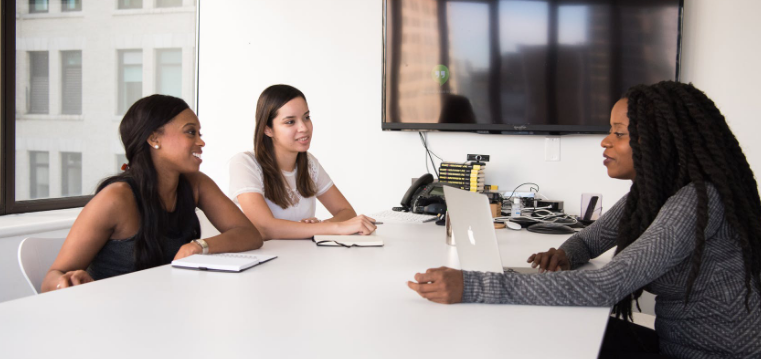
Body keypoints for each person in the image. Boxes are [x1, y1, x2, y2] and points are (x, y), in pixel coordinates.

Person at [407, 81, 761, 358]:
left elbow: (605, 285)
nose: (605, 141)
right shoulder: (651, 196)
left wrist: (473, 285)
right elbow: (591, 239)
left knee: (555, 338)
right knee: (556, 327)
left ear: (660, 140)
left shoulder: (697, 201)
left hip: (709, 354)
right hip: (676, 344)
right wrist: (567, 254)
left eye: (619, 133)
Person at [41, 95, 263, 292]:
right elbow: (51, 279)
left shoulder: (196, 184)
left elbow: (249, 234)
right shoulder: (116, 199)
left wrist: (199, 246)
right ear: (154, 138)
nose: (201, 141)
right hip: (113, 317)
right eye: (190, 132)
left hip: (165, 309)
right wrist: (66, 282)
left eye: (199, 133)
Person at [229, 84, 376, 239]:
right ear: (268, 129)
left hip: (303, 258)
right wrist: (328, 228)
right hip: (264, 260)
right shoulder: (245, 163)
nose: (304, 128)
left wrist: (318, 227)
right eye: (290, 122)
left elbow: (346, 212)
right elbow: (265, 228)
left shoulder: (309, 163)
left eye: (306, 117)